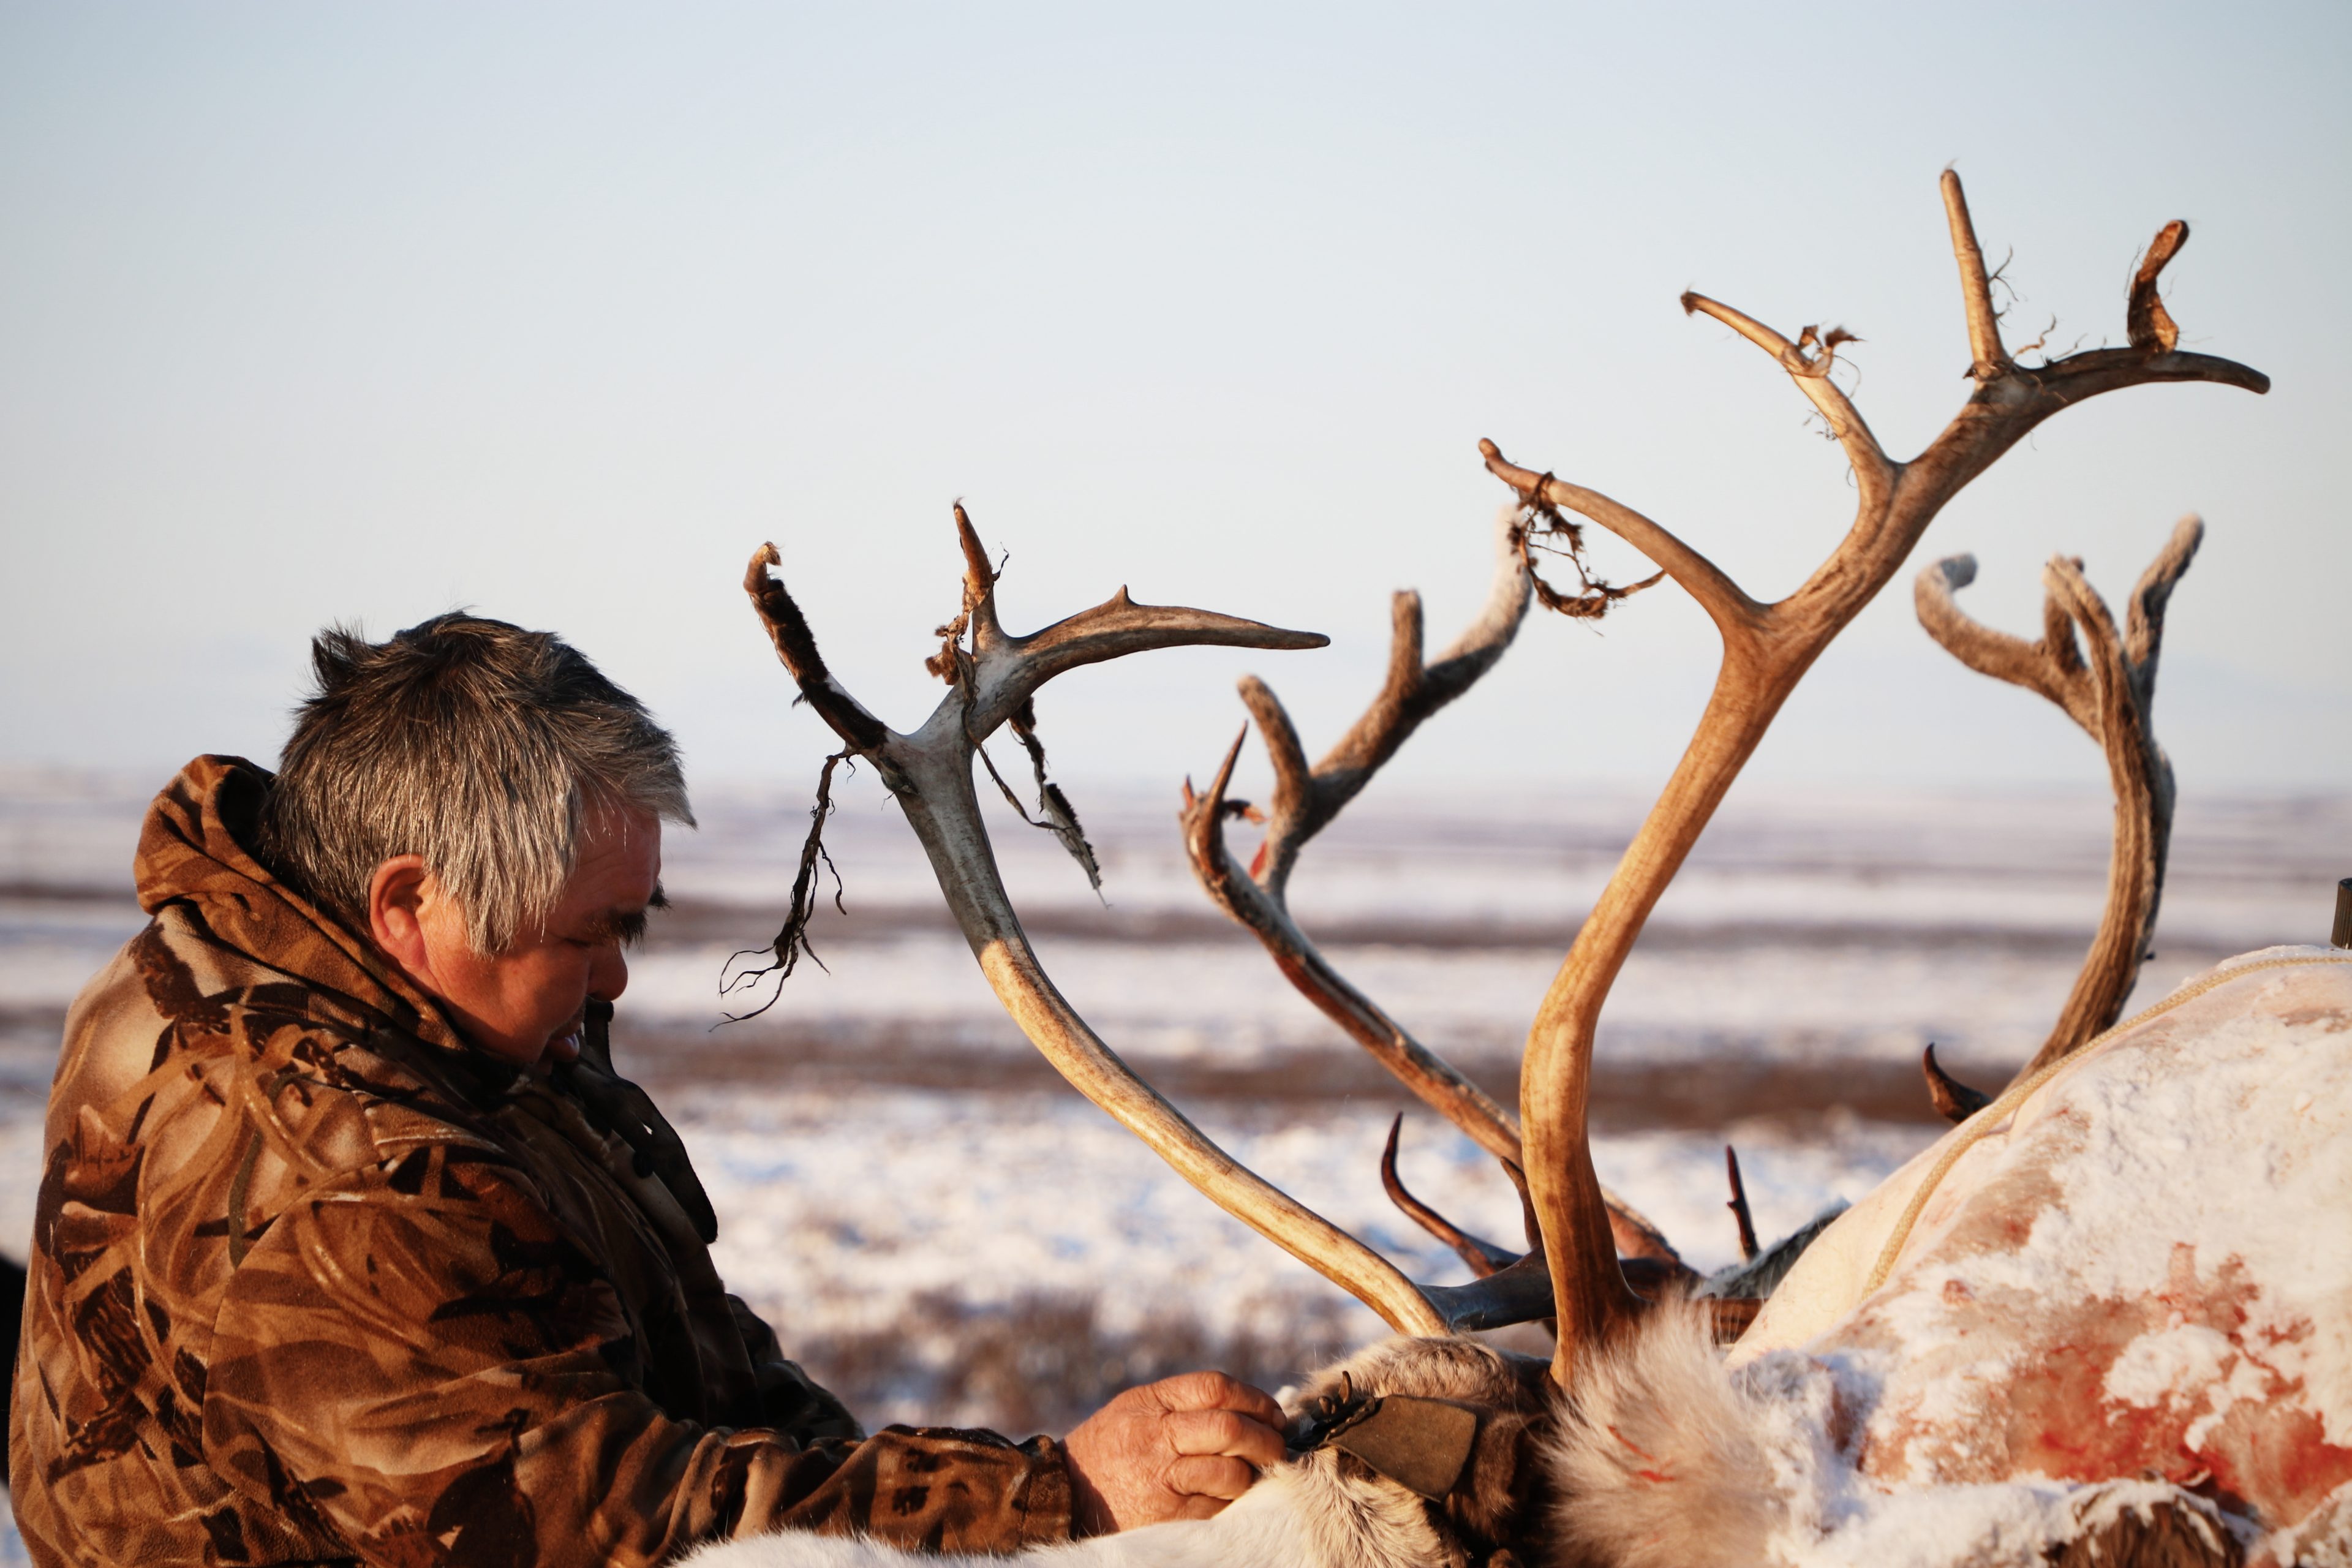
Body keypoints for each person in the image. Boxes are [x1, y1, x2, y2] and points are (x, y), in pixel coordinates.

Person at [9, 614, 1286, 1566]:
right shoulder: (329, 1160)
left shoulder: (433, 1010)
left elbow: (706, 1370)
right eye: (584, 933)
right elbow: (588, 1518)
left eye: (632, 922)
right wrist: (1059, 1497)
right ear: (408, 901)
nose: (615, 972)